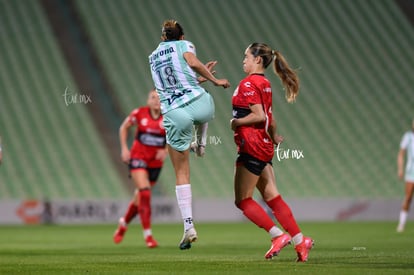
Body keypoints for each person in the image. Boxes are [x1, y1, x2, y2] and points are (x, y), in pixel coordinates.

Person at [148, 19, 230, 250]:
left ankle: (188, 226)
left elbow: (169, 86)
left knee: (182, 172)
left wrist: (202, 77)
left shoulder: (153, 57)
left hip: (175, 114)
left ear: (163, 37)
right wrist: (213, 80)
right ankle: (201, 145)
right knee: (203, 102)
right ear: (181, 37)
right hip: (202, 105)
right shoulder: (185, 46)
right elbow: (192, 64)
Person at [230, 43, 313, 262]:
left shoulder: (248, 83)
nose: (244, 60)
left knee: (243, 200)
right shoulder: (265, 83)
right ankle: (300, 241)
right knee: (272, 196)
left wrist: (236, 121)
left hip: (251, 146)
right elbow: (270, 118)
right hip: (264, 146)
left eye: (246, 56)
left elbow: (259, 116)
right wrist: (274, 137)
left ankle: (276, 235)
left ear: (258, 60)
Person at [113, 89, 168, 248]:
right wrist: (124, 149)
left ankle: (123, 223)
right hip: (138, 159)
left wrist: (165, 150)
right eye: (153, 97)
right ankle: (148, 236)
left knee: (139, 198)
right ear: (148, 100)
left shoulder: (168, 116)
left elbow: (174, 136)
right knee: (145, 192)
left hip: (155, 164)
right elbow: (123, 128)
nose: (156, 100)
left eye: (159, 98)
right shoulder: (140, 113)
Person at [396, 119, 414, 233]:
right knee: (408, 198)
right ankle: (401, 224)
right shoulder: (408, 136)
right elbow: (401, 153)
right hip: (411, 172)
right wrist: (400, 169)